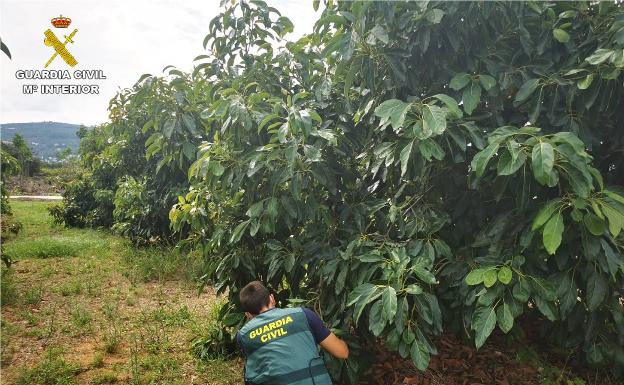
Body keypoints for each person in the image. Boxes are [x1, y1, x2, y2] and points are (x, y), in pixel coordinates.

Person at [236, 281, 349, 385]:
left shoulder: (243, 335)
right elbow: (342, 352)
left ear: (248, 315)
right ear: (272, 298)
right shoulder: (304, 315)